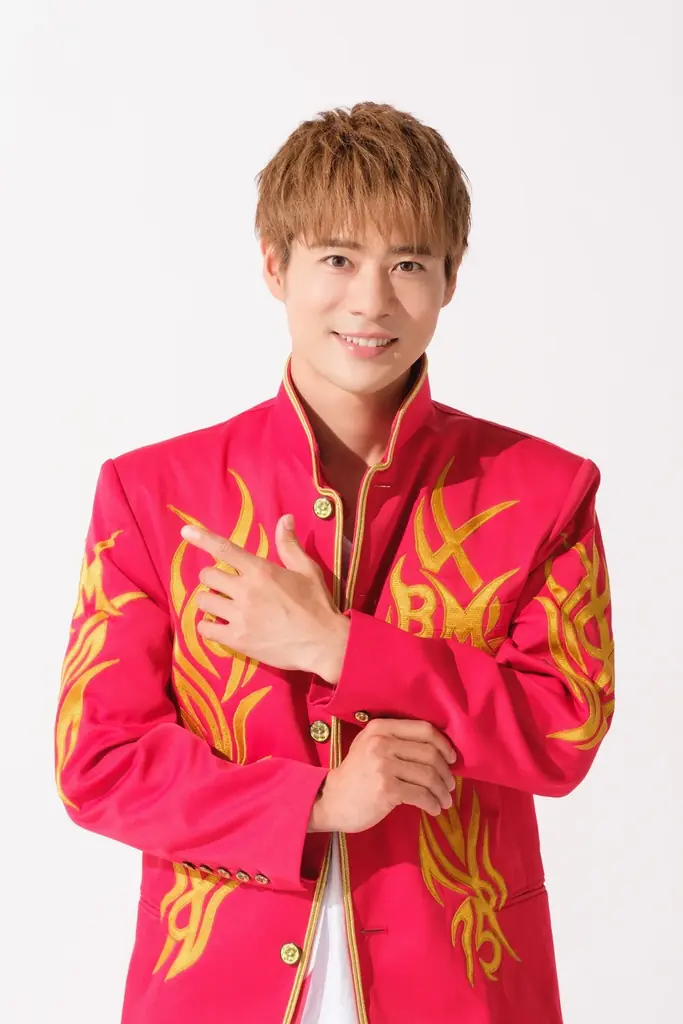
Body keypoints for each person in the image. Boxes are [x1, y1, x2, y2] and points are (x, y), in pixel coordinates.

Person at [54, 101, 615, 1024]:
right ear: (275, 265)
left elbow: (562, 730)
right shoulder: (154, 494)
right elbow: (102, 765)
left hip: (465, 987)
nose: (371, 301)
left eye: (408, 264)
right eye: (338, 259)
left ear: (450, 278)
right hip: (213, 990)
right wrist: (316, 801)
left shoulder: (542, 491)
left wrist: (337, 648)